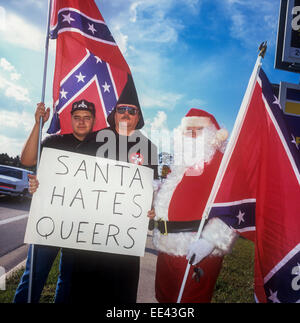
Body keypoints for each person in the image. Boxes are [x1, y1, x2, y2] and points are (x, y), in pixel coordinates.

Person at [27, 75, 158, 303]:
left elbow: (151, 191)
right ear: (114, 114)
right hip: (88, 241)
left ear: (139, 117)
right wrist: (42, 183)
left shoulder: (148, 149)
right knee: (80, 293)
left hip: (123, 243)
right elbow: (68, 175)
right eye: (122, 109)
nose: (126, 114)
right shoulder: (93, 140)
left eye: (132, 110)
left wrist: (152, 209)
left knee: (119, 296)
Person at [150, 108, 238, 303]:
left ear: (210, 135)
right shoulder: (181, 166)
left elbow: (234, 207)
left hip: (196, 248)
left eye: (195, 131)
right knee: (164, 299)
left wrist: (211, 241)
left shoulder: (223, 165)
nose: (188, 136)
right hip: (167, 248)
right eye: (185, 131)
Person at [14, 99, 96, 303]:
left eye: (87, 118)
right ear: (70, 119)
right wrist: (38, 124)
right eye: (77, 117)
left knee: (68, 280)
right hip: (48, 221)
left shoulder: (100, 147)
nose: (82, 122)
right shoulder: (54, 141)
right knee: (33, 277)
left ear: (94, 120)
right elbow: (26, 160)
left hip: (80, 225)